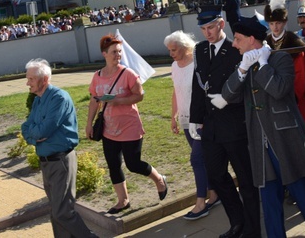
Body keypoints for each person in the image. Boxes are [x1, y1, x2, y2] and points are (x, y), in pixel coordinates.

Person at [220, 14, 305, 238]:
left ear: (251, 39)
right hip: (260, 142)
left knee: (302, 193)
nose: (234, 44)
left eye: (238, 39)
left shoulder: (280, 59)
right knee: (269, 201)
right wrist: (241, 70)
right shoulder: (244, 64)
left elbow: (278, 90)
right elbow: (227, 95)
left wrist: (263, 64)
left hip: (286, 139)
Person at [189, 6, 260, 238]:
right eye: (203, 28)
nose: (207, 33)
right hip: (211, 127)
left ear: (221, 24)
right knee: (216, 175)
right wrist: (195, 118)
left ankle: (252, 229)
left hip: (234, 123)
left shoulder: (235, 48)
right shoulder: (199, 50)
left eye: (210, 27)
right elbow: (198, 87)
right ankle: (237, 222)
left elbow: (243, 83)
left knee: (246, 181)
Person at [85, 34, 167, 214]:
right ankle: (123, 200)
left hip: (130, 126)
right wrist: (89, 124)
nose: (118, 55)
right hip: (108, 128)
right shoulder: (97, 76)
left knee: (133, 164)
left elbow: (140, 95)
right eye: (114, 52)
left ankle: (159, 179)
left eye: (119, 52)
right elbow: (94, 101)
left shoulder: (128, 74)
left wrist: (119, 101)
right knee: (113, 164)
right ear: (104, 53)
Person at [21, 59, 97, 238]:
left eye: (31, 79)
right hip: (47, 163)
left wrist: (36, 134)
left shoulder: (59, 98)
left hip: (60, 161)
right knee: (56, 211)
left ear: (44, 79)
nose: (27, 83)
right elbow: (26, 128)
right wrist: (35, 136)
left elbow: (44, 130)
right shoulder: (38, 101)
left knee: (63, 213)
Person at [164, 30, 219, 221]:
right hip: (186, 121)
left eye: (174, 49)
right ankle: (214, 193)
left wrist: (203, 118)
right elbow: (176, 91)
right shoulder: (174, 66)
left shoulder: (198, 64)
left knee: (196, 159)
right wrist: (173, 116)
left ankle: (200, 203)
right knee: (204, 160)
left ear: (185, 47)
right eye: (169, 50)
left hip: (201, 120)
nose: (171, 53)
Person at [265, 0, 305, 150]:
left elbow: (300, 71)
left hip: (295, 91)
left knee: (304, 125)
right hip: (274, 92)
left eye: (278, 23)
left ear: (284, 23)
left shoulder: (294, 41)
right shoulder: (266, 42)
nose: (275, 27)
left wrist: (295, 93)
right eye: (271, 24)